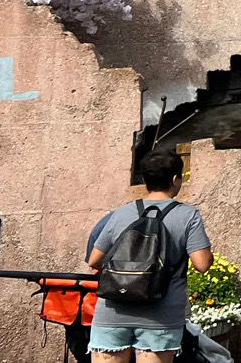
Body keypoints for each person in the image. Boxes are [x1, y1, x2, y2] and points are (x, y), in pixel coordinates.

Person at [84, 149, 214, 363]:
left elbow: (94, 260)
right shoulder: (188, 216)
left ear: (145, 180)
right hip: (160, 316)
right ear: (175, 180)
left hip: (113, 312)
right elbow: (202, 264)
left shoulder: (122, 213)